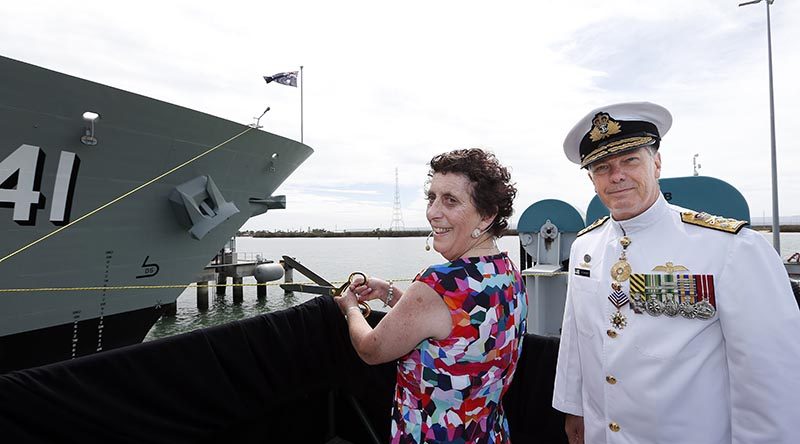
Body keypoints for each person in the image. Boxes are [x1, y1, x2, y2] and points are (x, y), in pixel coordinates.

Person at [552, 102, 800, 444]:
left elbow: (771, 375)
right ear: (592, 179)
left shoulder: (731, 249)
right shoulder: (584, 247)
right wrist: (573, 409)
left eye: (630, 160)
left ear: (656, 163)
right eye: (602, 167)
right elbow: (576, 341)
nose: (617, 175)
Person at [334, 148, 528, 443]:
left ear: (487, 215)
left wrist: (351, 308)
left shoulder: (439, 283)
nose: (433, 212)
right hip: (487, 433)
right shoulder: (507, 272)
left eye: (450, 200)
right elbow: (457, 328)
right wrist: (389, 293)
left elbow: (371, 349)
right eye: (432, 198)